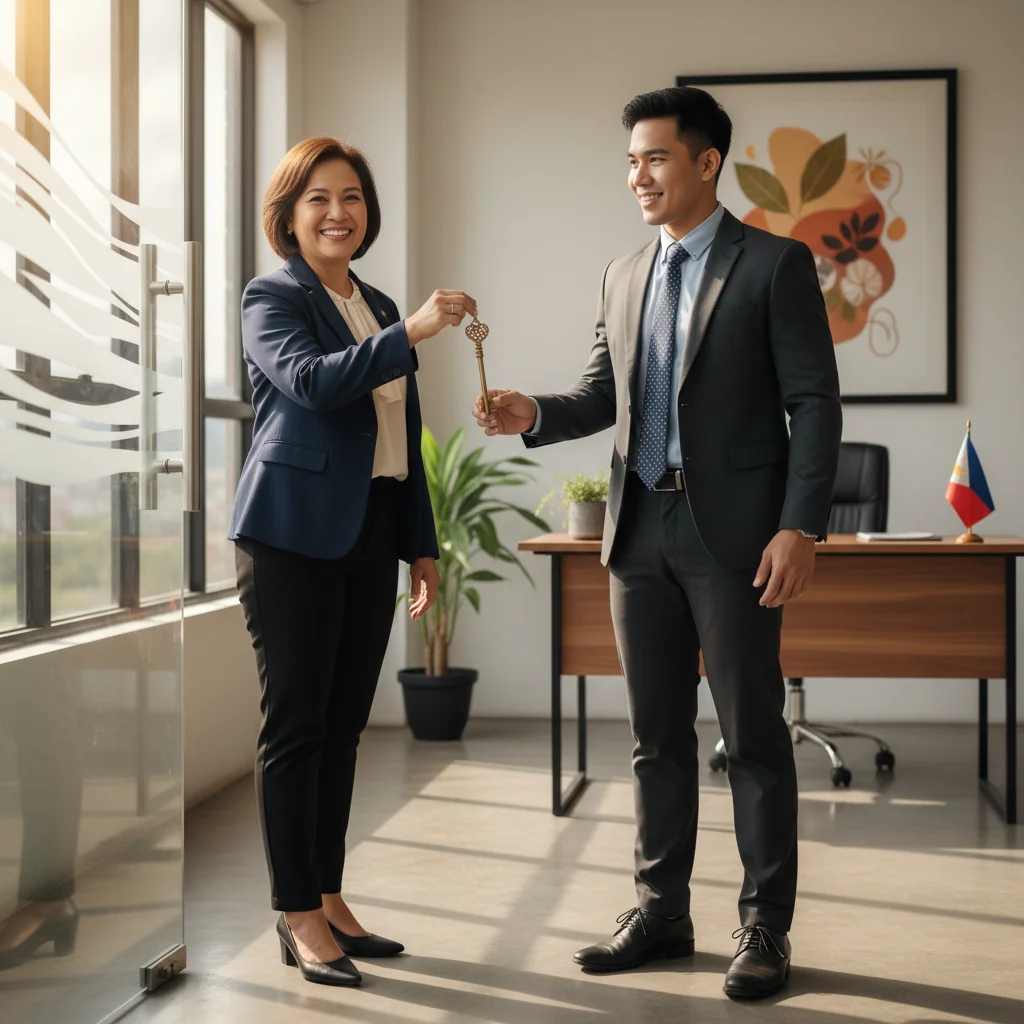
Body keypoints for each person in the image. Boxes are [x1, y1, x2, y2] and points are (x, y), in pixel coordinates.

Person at [473, 87, 841, 1000]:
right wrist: (532, 414)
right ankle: (661, 911)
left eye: (656, 158)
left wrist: (799, 524)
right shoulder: (624, 272)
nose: (638, 175)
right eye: (631, 161)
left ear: (707, 163)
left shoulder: (774, 265)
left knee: (752, 736)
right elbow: (604, 396)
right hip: (638, 529)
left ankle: (765, 926)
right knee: (654, 739)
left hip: (737, 536)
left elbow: (814, 403)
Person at [229, 136, 476, 988]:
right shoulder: (272, 296)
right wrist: (410, 332)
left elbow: (402, 434)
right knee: (296, 728)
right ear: (289, 216)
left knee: (342, 731)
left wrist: (421, 545)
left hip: (371, 530)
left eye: (353, 198)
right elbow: (310, 382)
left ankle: (329, 896)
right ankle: (295, 912)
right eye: (319, 199)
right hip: (289, 535)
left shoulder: (375, 303)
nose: (339, 213)